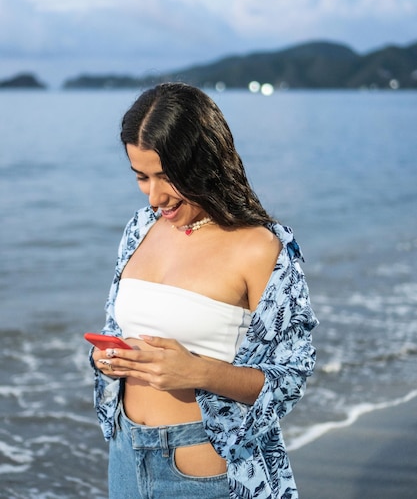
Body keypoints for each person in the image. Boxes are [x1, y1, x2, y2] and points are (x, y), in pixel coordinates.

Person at [89, 82, 318, 499]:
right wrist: (107, 356)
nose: (155, 196)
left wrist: (196, 372)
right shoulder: (140, 229)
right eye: (142, 177)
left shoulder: (260, 247)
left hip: (202, 467)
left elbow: (291, 377)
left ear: (203, 162)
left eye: (167, 177)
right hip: (124, 452)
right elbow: (116, 325)